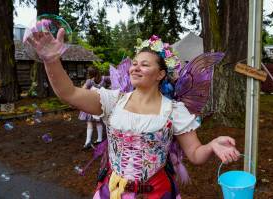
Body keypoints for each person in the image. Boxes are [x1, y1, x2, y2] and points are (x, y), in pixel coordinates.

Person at [26, 28, 240, 199]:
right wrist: (51, 60)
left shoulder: (175, 111)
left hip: (157, 193)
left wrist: (211, 146)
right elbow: (68, 93)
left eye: (144, 65)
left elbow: (195, 155)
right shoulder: (113, 101)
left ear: (161, 74)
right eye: (134, 63)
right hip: (113, 192)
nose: (135, 68)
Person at [79, 67, 108, 149]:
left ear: (90, 74)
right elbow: (113, 78)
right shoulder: (104, 79)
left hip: (89, 104)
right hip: (100, 104)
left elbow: (82, 91)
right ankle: (99, 139)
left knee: (89, 122)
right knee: (98, 122)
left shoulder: (89, 81)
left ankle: (88, 141)